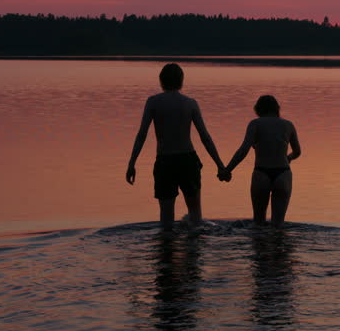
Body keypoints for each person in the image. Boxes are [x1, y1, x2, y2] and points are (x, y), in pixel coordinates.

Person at [127, 63, 228, 228]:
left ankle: (166, 249)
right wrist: (220, 165)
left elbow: (141, 135)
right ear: (181, 80)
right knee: (196, 218)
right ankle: (193, 248)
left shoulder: (153, 102)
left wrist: (132, 163)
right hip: (188, 160)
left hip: (165, 161)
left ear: (161, 81)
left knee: (166, 221)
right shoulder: (190, 103)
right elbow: (205, 137)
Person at [223, 95, 301, 226]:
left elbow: (243, 150)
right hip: (283, 173)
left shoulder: (255, 124)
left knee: (258, 224)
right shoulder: (288, 125)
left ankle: (260, 245)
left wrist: (228, 170)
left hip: (261, 173)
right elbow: (298, 151)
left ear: (258, 109)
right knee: (278, 225)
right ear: (277, 109)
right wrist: (289, 157)